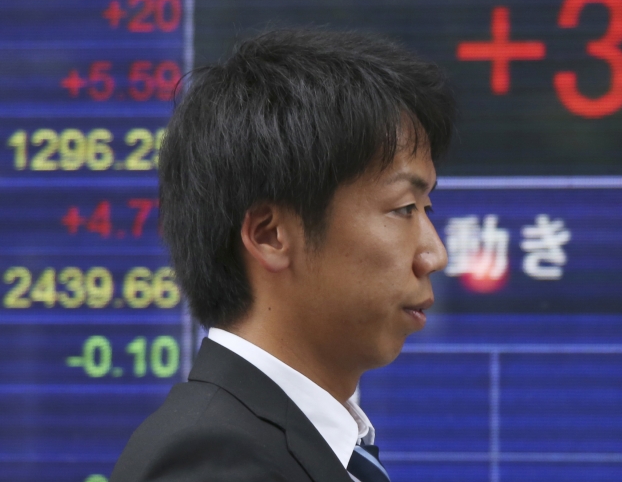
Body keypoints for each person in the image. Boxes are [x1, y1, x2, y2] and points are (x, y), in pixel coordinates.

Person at [111, 29, 456, 482]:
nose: (434, 254)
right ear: (270, 235)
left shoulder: (294, 443)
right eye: (403, 209)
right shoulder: (214, 462)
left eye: (426, 209)